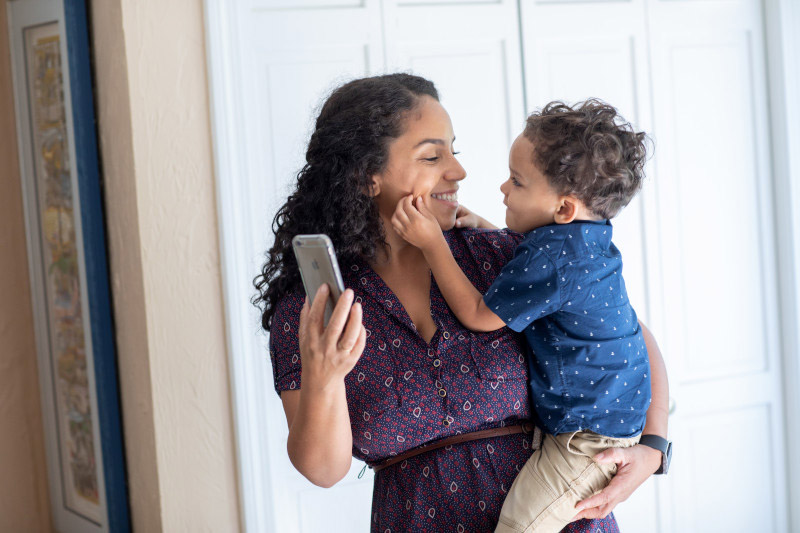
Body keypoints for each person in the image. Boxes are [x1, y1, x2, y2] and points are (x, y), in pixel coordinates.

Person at [254, 73, 669, 532]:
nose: (458, 171)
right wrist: (324, 376)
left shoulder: (499, 255)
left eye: (455, 150)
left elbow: (628, 338)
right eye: (432, 155)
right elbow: (323, 470)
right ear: (366, 177)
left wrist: (652, 447)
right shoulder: (312, 311)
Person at [391, 100, 656, 532]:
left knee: (519, 526)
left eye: (517, 181)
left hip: (586, 445)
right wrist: (488, 229)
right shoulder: (585, 239)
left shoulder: (554, 258)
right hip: (606, 424)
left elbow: (480, 314)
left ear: (564, 208)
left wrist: (432, 245)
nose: (502, 189)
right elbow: (537, 266)